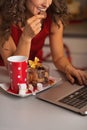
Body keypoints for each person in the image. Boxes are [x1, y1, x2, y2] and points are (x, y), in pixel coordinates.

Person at [0, 0, 87, 85]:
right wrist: (26, 37)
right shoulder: (3, 19)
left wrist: (69, 68)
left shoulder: (54, 17)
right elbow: (15, 70)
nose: (47, 4)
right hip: (6, 78)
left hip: (35, 77)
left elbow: (59, 57)